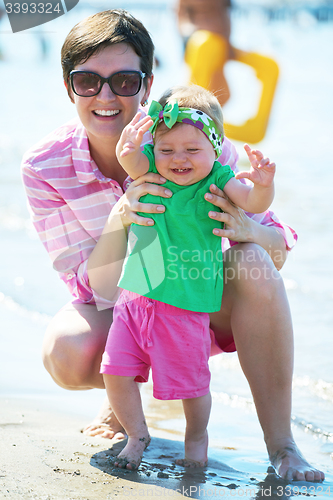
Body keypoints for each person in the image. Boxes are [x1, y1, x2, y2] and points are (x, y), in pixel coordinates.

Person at [21, 9, 324, 482]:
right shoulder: (44, 166)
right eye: (87, 82)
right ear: (68, 87)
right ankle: (125, 412)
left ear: (147, 83)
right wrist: (124, 215)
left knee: (253, 262)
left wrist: (253, 232)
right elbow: (93, 287)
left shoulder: (195, 140)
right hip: (128, 306)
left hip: (199, 300)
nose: (105, 96)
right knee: (67, 349)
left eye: (123, 82)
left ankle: (282, 444)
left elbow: (279, 249)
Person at [100, 84, 276, 470]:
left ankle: (196, 438)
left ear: (216, 149)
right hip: (135, 298)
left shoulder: (218, 180)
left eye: (192, 150)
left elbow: (252, 202)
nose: (178, 159)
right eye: (167, 149)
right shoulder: (150, 167)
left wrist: (263, 186)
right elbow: (130, 161)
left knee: (191, 387)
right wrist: (127, 146)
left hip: (185, 306)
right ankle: (136, 434)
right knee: (114, 370)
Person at [176, 0, 234, 106]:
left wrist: (227, 44)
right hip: (199, 44)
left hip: (216, 45)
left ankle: (208, 116)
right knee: (204, 93)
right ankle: (195, 111)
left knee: (221, 94)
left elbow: (225, 15)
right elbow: (181, 18)